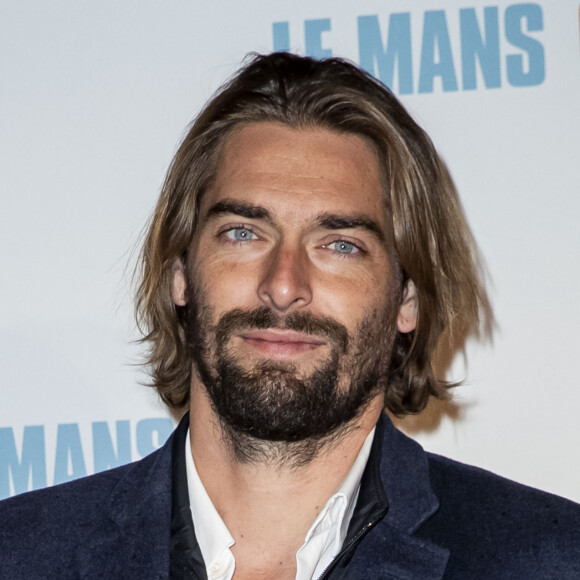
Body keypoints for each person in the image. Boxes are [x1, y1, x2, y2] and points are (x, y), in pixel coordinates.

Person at [0, 52, 578, 580]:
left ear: (408, 298)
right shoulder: (18, 553)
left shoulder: (550, 559)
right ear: (180, 272)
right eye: (243, 232)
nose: (282, 286)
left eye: (340, 244)